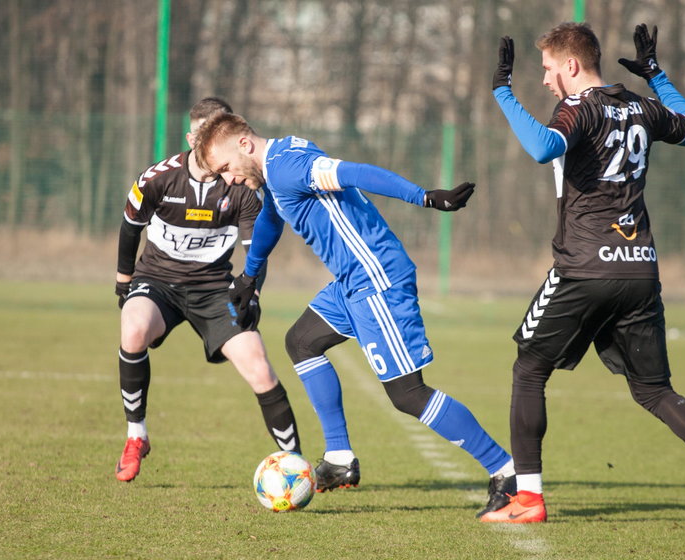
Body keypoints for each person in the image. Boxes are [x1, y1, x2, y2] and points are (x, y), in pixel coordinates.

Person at [479, 22, 685, 533]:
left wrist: (502, 90)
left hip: (585, 267)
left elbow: (542, 147)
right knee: (655, 390)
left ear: (572, 65)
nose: (547, 81)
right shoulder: (640, 105)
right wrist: (657, 75)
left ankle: (528, 498)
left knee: (529, 369)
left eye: (549, 70)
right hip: (639, 269)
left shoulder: (579, 107)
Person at [192, 111, 517, 518]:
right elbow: (271, 219)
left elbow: (355, 173)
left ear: (244, 144)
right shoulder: (274, 170)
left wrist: (425, 197)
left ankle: (506, 471)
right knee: (302, 342)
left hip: (376, 277)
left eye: (225, 169)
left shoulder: (288, 166)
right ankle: (340, 457)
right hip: (350, 283)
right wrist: (250, 276)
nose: (229, 180)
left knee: (407, 394)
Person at [113, 97, 301, 482]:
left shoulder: (243, 188)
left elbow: (256, 252)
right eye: (204, 134)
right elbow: (130, 226)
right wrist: (123, 281)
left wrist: (254, 295)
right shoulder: (158, 178)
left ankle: (295, 464)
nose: (211, 143)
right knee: (133, 329)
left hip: (215, 288)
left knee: (258, 366)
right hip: (158, 282)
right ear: (192, 137)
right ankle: (136, 436)